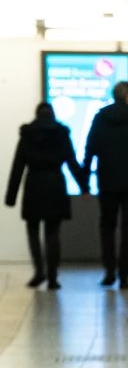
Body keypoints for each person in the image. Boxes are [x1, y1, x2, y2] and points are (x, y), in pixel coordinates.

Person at [82, 80, 128, 290]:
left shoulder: (100, 119)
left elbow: (90, 150)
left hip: (107, 182)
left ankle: (109, 272)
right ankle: (124, 276)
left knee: (107, 226)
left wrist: (84, 183)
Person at [7, 103, 83, 289]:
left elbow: (18, 165)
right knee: (53, 232)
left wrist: (11, 196)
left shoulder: (27, 134)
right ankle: (53, 277)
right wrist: (85, 184)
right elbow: (71, 161)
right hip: (55, 184)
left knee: (33, 231)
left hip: (34, 185)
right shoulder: (61, 133)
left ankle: (38, 272)